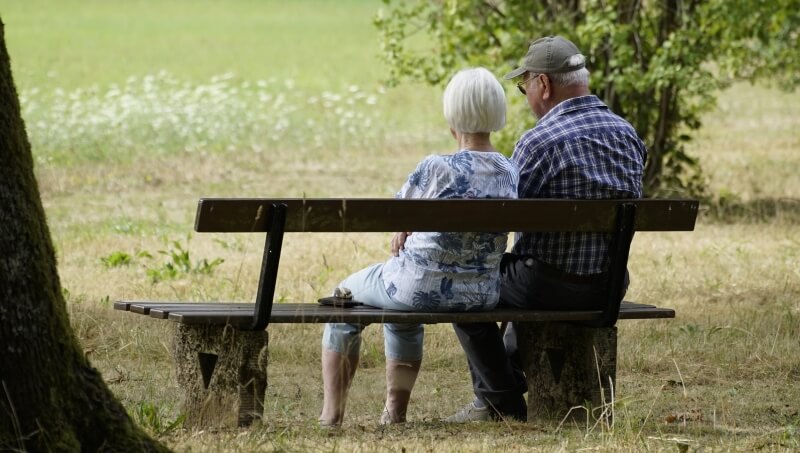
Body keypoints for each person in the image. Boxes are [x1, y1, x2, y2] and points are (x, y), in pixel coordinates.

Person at [445, 36, 647, 422]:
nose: (526, 97)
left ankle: (499, 400)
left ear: (543, 84)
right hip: (609, 286)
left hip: (548, 287)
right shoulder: (628, 135)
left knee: (463, 282)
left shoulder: (538, 142)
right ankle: (506, 382)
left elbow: (503, 219)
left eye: (524, 88)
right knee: (526, 268)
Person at [319, 67, 519, 427]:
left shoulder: (436, 167)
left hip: (416, 288)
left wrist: (404, 228)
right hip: (480, 295)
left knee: (343, 297)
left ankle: (331, 416)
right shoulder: (509, 171)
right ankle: (394, 414)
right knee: (399, 305)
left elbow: (396, 214)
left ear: (452, 114)